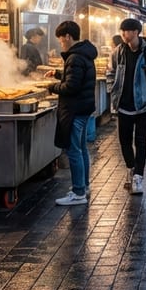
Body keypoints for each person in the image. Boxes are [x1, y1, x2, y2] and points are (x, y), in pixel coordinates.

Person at [105, 18, 146, 195]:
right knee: (124, 140)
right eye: (122, 31)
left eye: (127, 31)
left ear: (136, 32)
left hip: (144, 106)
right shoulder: (118, 52)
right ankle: (131, 168)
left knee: (140, 141)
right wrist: (112, 90)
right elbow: (110, 72)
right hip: (123, 105)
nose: (123, 34)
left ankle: (138, 177)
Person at [46, 21, 97, 206]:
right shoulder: (84, 53)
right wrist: (59, 74)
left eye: (60, 39)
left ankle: (78, 193)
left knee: (74, 151)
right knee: (81, 148)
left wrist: (52, 87)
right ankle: (83, 186)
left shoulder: (75, 57)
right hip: (83, 108)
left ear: (67, 36)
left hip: (75, 109)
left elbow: (72, 86)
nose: (60, 43)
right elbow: (76, 78)